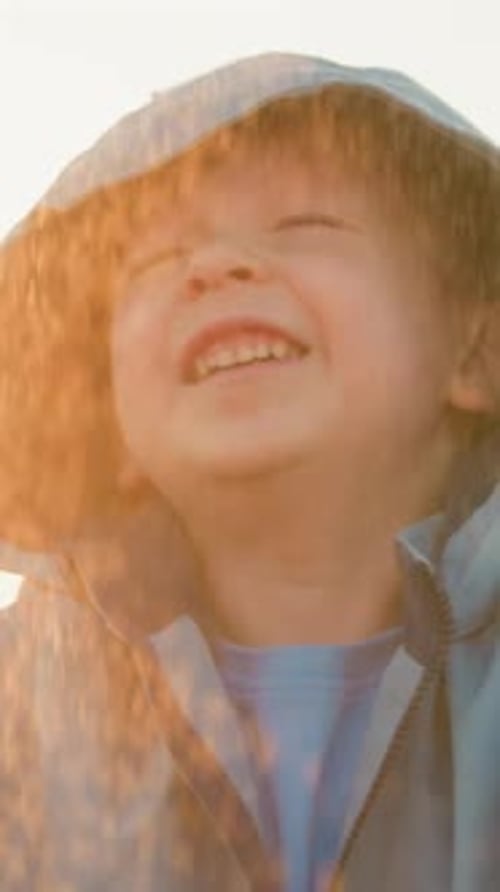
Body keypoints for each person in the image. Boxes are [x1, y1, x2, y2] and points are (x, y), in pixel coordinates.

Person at [0, 52, 499, 892]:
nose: (213, 266)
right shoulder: (23, 713)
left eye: (304, 225)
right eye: (156, 262)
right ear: (108, 417)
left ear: (477, 353)